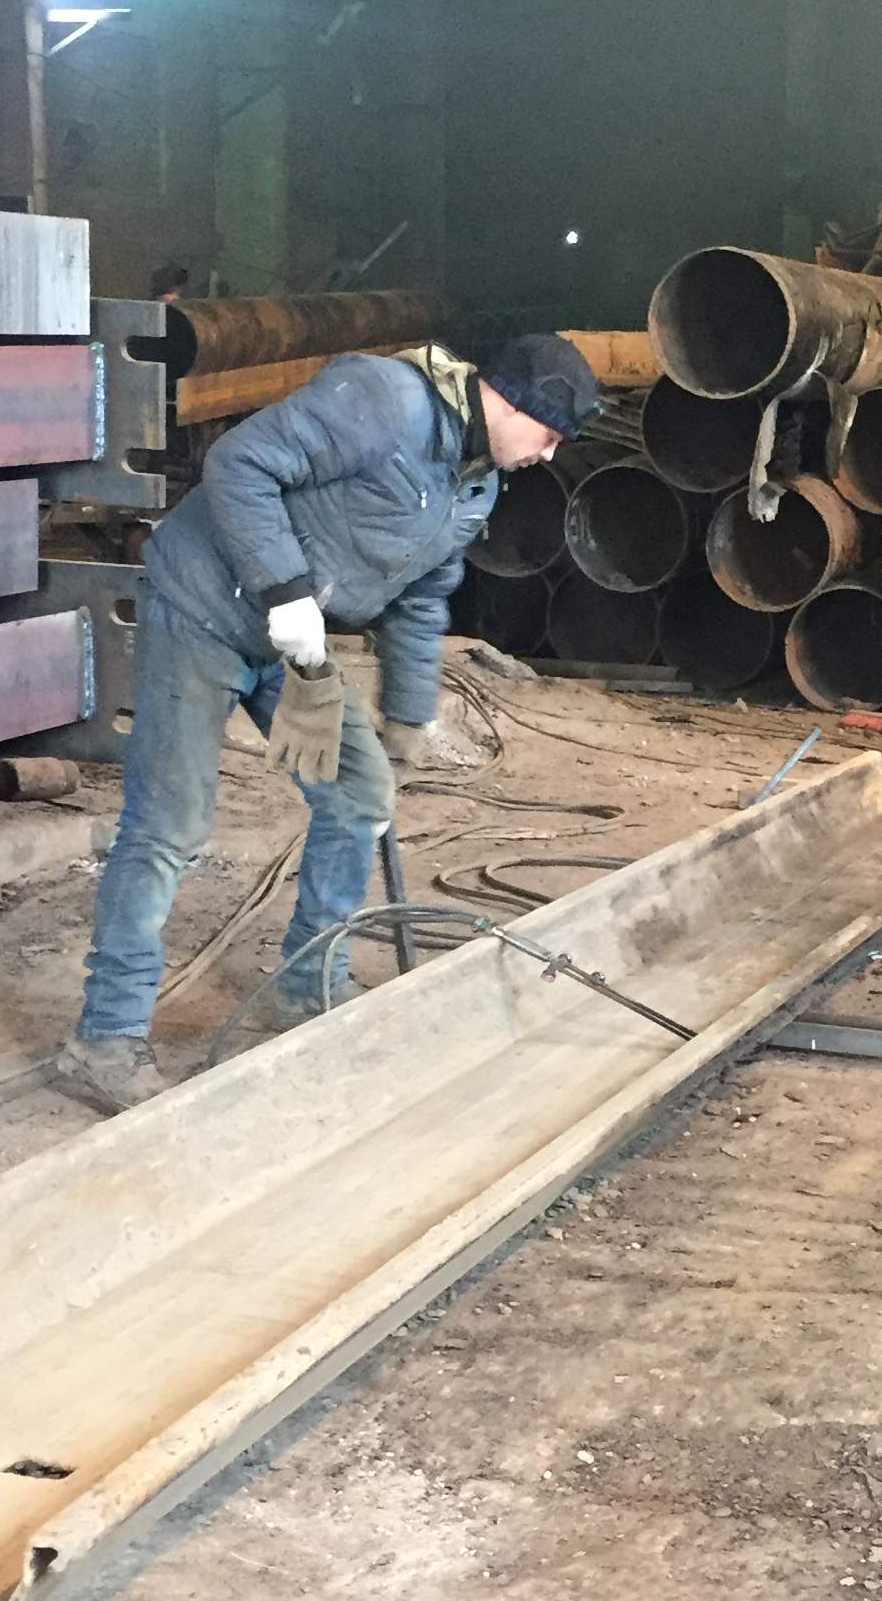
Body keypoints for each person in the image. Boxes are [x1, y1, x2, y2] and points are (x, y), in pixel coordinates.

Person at [56, 330, 600, 1111]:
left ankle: (308, 983)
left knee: (359, 794)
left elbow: (421, 596)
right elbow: (239, 465)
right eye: (547, 435)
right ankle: (104, 1039)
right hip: (203, 607)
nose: (547, 455)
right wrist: (285, 592)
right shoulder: (384, 402)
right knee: (170, 824)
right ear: (507, 402)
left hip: (292, 643)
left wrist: (408, 713)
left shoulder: (474, 485)